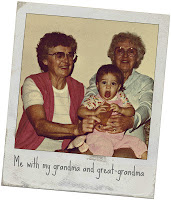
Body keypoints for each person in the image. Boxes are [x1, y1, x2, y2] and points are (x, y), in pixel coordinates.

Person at [15, 32, 99, 151]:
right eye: (59, 55)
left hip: (63, 153)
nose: (66, 60)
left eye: (70, 55)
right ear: (45, 59)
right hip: (30, 150)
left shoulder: (80, 89)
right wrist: (76, 129)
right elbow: (40, 125)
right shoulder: (33, 83)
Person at [82, 32, 153, 157]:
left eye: (131, 51)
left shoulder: (145, 82)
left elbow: (147, 108)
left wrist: (131, 121)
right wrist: (95, 118)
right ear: (113, 55)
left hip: (129, 139)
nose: (125, 55)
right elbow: (89, 99)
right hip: (99, 136)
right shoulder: (99, 77)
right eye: (120, 50)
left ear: (137, 57)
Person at [67, 64, 147, 159]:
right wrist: (94, 112)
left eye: (113, 84)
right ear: (97, 85)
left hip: (118, 138)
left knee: (138, 143)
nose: (108, 87)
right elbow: (80, 111)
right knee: (105, 149)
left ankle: (147, 168)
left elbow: (131, 111)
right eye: (104, 83)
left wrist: (121, 109)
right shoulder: (95, 99)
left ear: (118, 87)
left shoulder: (120, 97)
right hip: (98, 137)